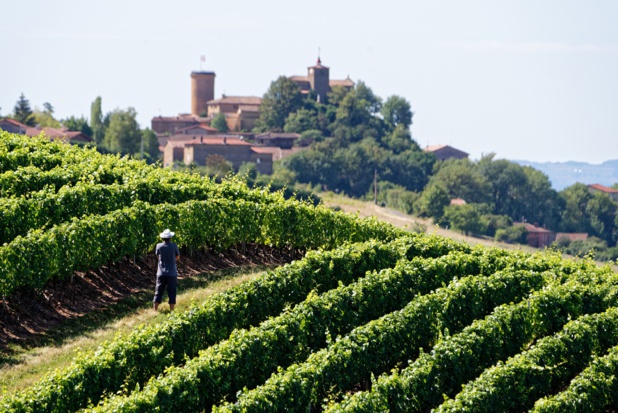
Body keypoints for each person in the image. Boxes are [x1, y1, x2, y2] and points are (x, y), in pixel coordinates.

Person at [153, 228, 180, 311]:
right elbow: (178, 257)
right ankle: (172, 310)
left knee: (158, 291)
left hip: (161, 273)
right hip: (172, 273)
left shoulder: (158, 246)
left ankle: (155, 310)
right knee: (172, 292)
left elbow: (158, 256)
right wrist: (172, 260)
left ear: (162, 238)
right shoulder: (174, 246)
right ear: (170, 237)